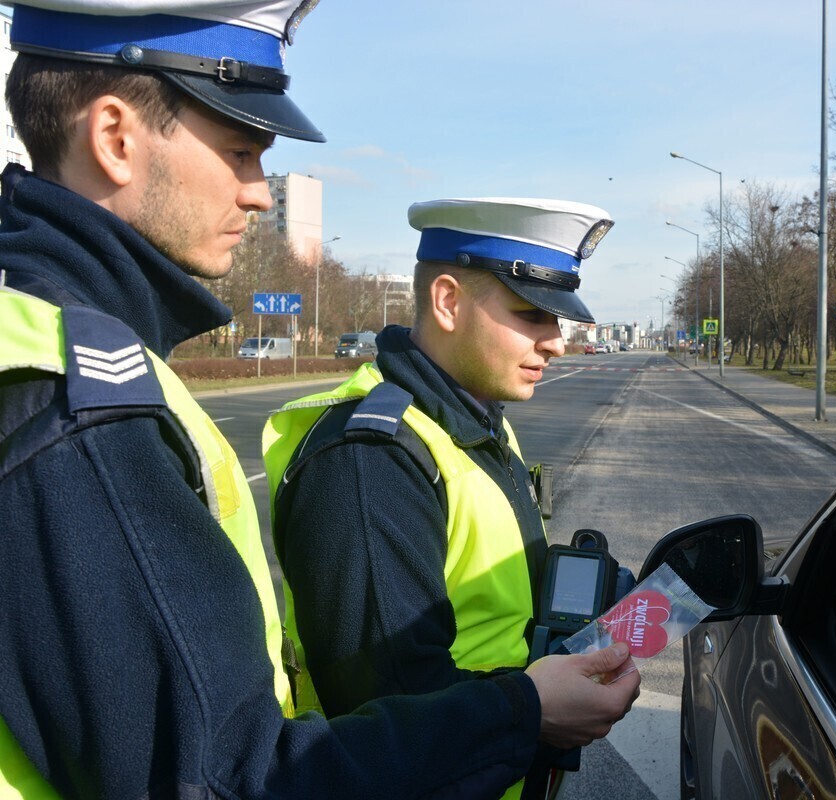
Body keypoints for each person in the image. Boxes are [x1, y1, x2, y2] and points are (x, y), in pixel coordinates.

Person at [0, 3, 639, 797]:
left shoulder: (87, 361)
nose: (259, 194)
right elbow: (226, 776)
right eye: (240, 152)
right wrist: (524, 710)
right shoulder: (79, 409)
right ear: (115, 138)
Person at [263, 197, 617, 797]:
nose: (556, 341)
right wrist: (537, 706)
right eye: (532, 313)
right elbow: (391, 713)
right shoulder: (370, 461)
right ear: (448, 301)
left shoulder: (474, 419)